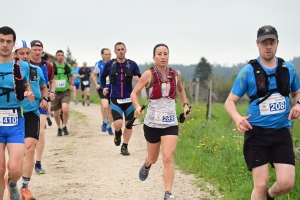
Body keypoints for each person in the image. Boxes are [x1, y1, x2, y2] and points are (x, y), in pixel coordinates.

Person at [224, 25, 300, 200]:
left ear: (277, 44)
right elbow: (229, 102)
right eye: (264, 43)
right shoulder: (247, 72)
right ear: (257, 44)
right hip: (256, 133)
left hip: (281, 133)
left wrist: (298, 105)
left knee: (287, 183)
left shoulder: (288, 69)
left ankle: (269, 196)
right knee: (261, 183)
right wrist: (237, 118)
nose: (268, 46)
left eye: (271, 42)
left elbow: (297, 92)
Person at [131, 43, 190, 200]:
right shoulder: (148, 75)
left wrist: (185, 105)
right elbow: (134, 93)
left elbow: (180, 90)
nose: (163, 57)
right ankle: (147, 165)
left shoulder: (176, 74)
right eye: (159, 54)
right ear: (154, 57)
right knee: (153, 158)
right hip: (152, 124)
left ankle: (167, 193)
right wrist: (137, 106)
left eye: (165, 54)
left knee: (168, 156)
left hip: (170, 123)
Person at [13, 40, 53, 199]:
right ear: (15, 54)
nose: (25, 56)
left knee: (30, 147)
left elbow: (44, 87)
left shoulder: (36, 70)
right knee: (16, 153)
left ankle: (25, 187)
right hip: (13, 114)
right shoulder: (9, 71)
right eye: (21, 53)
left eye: (27, 53)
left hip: (32, 113)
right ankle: (11, 182)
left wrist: (45, 99)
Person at [0, 26, 35, 200]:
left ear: (13, 44)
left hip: (15, 120)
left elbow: (27, 85)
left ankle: (12, 184)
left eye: (8, 42)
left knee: (15, 169)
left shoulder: (23, 67)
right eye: (1, 41)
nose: (4, 45)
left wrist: (28, 93)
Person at [101, 42, 141, 155]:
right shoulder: (110, 64)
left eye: (122, 49)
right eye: (118, 49)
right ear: (115, 51)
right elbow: (102, 77)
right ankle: (117, 133)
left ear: (125, 50)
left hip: (129, 99)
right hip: (115, 98)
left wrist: (138, 79)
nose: (120, 51)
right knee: (118, 123)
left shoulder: (132, 64)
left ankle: (125, 146)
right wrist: (104, 87)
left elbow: (141, 78)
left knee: (129, 124)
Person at [30, 40, 55, 174]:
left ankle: (38, 162)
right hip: (26, 103)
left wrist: (52, 92)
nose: (37, 52)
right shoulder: (23, 65)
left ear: (42, 50)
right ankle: (26, 155)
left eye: (39, 49)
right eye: (34, 49)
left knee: (41, 131)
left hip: (42, 102)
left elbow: (51, 82)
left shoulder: (47, 65)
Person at [92, 48, 114, 135]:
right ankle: (104, 121)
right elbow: (93, 75)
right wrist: (96, 84)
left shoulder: (114, 64)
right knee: (105, 106)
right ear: (102, 55)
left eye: (109, 54)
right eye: (106, 54)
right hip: (102, 88)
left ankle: (109, 126)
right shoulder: (99, 64)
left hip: (112, 89)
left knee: (111, 109)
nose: (107, 56)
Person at [52, 50, 74, 136]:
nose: (60, 57)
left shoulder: (67, 66)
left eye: (62, 55)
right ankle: (59, 127)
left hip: (65, 91)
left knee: (65, 109)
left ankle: (64, 125)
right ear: (55, 56)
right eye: (59, 55)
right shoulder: (52, 66)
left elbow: (72, 75)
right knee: (56, 113)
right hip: (55, 92)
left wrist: (71, 84)